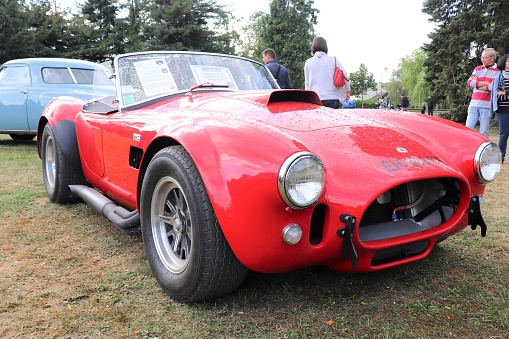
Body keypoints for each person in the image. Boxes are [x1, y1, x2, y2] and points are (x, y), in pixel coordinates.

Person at [304, 36, 350, 109]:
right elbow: (345, 76)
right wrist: (347, 91)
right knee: (331, 120)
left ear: (313, 46)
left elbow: (307, 84)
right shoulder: (334, 59)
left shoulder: (308, 62)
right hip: (332, 98)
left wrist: (307, 99)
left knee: (317, 120)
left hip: (315, 99)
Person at [466, 47, 500, 138]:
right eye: (482, 57)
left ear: (492, 58)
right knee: (468, 129)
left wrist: (477, 83)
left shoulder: (497, 72)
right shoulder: (477, 69)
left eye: (484, 57)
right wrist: (486, 83)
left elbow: (493, 87)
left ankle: (483, 151)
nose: (482, 60)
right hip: (473, 104)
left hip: (486, 106)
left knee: (484, 133)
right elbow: (469, 82)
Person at [494, 54, 509, 163]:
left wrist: (505, 92)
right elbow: (495, 92)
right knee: (503, 134)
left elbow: (502, 93)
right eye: (508, 60)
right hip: (503, 108)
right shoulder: (498, 76)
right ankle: (501, 157)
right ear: (504, 62)